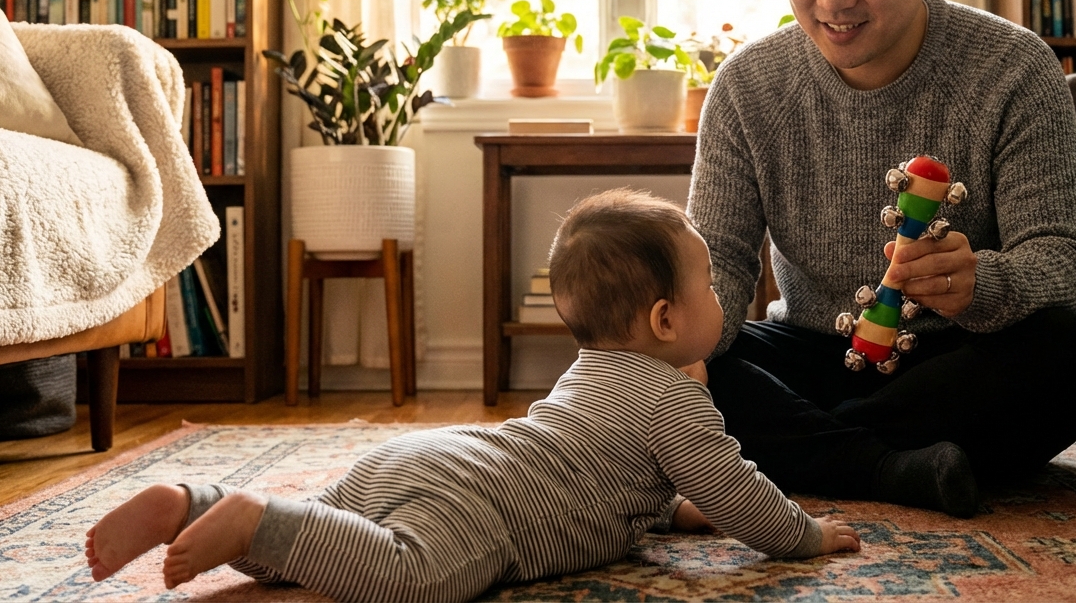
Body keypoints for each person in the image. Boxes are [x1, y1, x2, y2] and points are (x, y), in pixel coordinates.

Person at [84, 190, 860, 602]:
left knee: (315, 552)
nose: (727, 300)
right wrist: (803, 536)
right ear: (665, 319)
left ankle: (194, 503)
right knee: (413, 576)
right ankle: (252, 515)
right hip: (482, 507)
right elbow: (734, 491)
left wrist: (681, 512)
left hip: (430, 457)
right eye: (712, 289)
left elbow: (619, 477)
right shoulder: (680, 404)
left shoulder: (587, 374)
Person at [685, 0, 1076, 517]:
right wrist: (675, 345)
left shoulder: (1015, 70)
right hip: (809, 353)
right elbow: (721, 267)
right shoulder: (745, 87)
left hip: (955, 365)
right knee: (682, 371)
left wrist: (981, 283)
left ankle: (813, 451)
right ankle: (889, 466)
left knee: (1070, 357)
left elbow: (1063, 264)